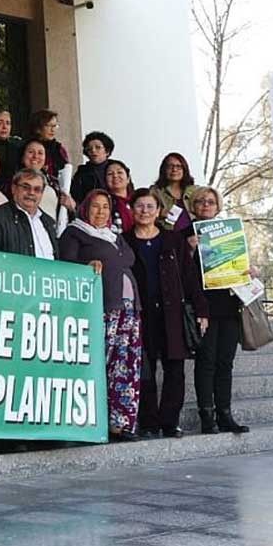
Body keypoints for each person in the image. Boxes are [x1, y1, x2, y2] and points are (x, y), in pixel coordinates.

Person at [125, 189, 208, 440]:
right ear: (132, 209)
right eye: (139, 206)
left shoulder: (173, 240)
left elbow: (190, 277)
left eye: (150, 206)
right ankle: (148, 422)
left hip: (172, 314)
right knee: (144, 369)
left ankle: (170, 422)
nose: (145, 211)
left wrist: (202, 310)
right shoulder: (124, 240)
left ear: (159, 211)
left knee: (175, 370)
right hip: (140, 314)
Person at [60, 190, 142, 441]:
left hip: (128, 309)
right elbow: (65, 264)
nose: (101, 211)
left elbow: (128, 258)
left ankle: (120, 423)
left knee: (126, 366)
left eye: (105, 207)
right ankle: (90, 422)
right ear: (85, 208)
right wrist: (86, 267)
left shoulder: (115, 236)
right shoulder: (74, 232)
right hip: (101, 308)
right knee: (100, 364)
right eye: (95, 206)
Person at [186, 187, 251, 435]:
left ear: (218, 206)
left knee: (226, 362)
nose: (205, 205)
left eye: (211, 201)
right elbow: (182, 273)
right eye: (201, 201)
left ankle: (225, 413)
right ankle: (207, 415)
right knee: (207, 362)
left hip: (229, 304)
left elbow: (238, 264)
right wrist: (190, 249)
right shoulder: (185, 234)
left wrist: (248, 271)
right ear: (193, 204)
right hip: (203, 307)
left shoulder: (229, 232)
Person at [0, 168, 57, 259]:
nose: (31, 193)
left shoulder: (49, 223)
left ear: (42, 193)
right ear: (13, 188)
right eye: (26, 187)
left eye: (37, 189)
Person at [20, 139, 75, 234]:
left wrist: (71, 208)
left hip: (51, 236)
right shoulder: (14, 181)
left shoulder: (55, 183)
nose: (35, 156)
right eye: (31, 152)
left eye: (40, 153)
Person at [151, 152, 199, 232]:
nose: (174, 170)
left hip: (195, 236)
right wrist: (158, 213)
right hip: (168, 236)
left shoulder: (195, 191)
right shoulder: (155, 192)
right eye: (170, 166)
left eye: (179, 166)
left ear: (184, 169)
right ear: (164, 170)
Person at [27, 109, 71, 195]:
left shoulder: (59, 149)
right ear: (38, 128)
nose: (52, 130)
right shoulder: (28, 147)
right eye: (48, 125)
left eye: (54, 126)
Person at [70, 131, 115, 204]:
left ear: (107, 151)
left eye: (98, 147)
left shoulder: (117, 169)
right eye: (89, 149)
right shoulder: (82, 173)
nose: (93, 151)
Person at [105, 159, 135, 234]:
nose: (115, 176)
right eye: (110, 174)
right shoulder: (104, 203)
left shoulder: (138, 201)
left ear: (128, 179)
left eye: (119, 172)